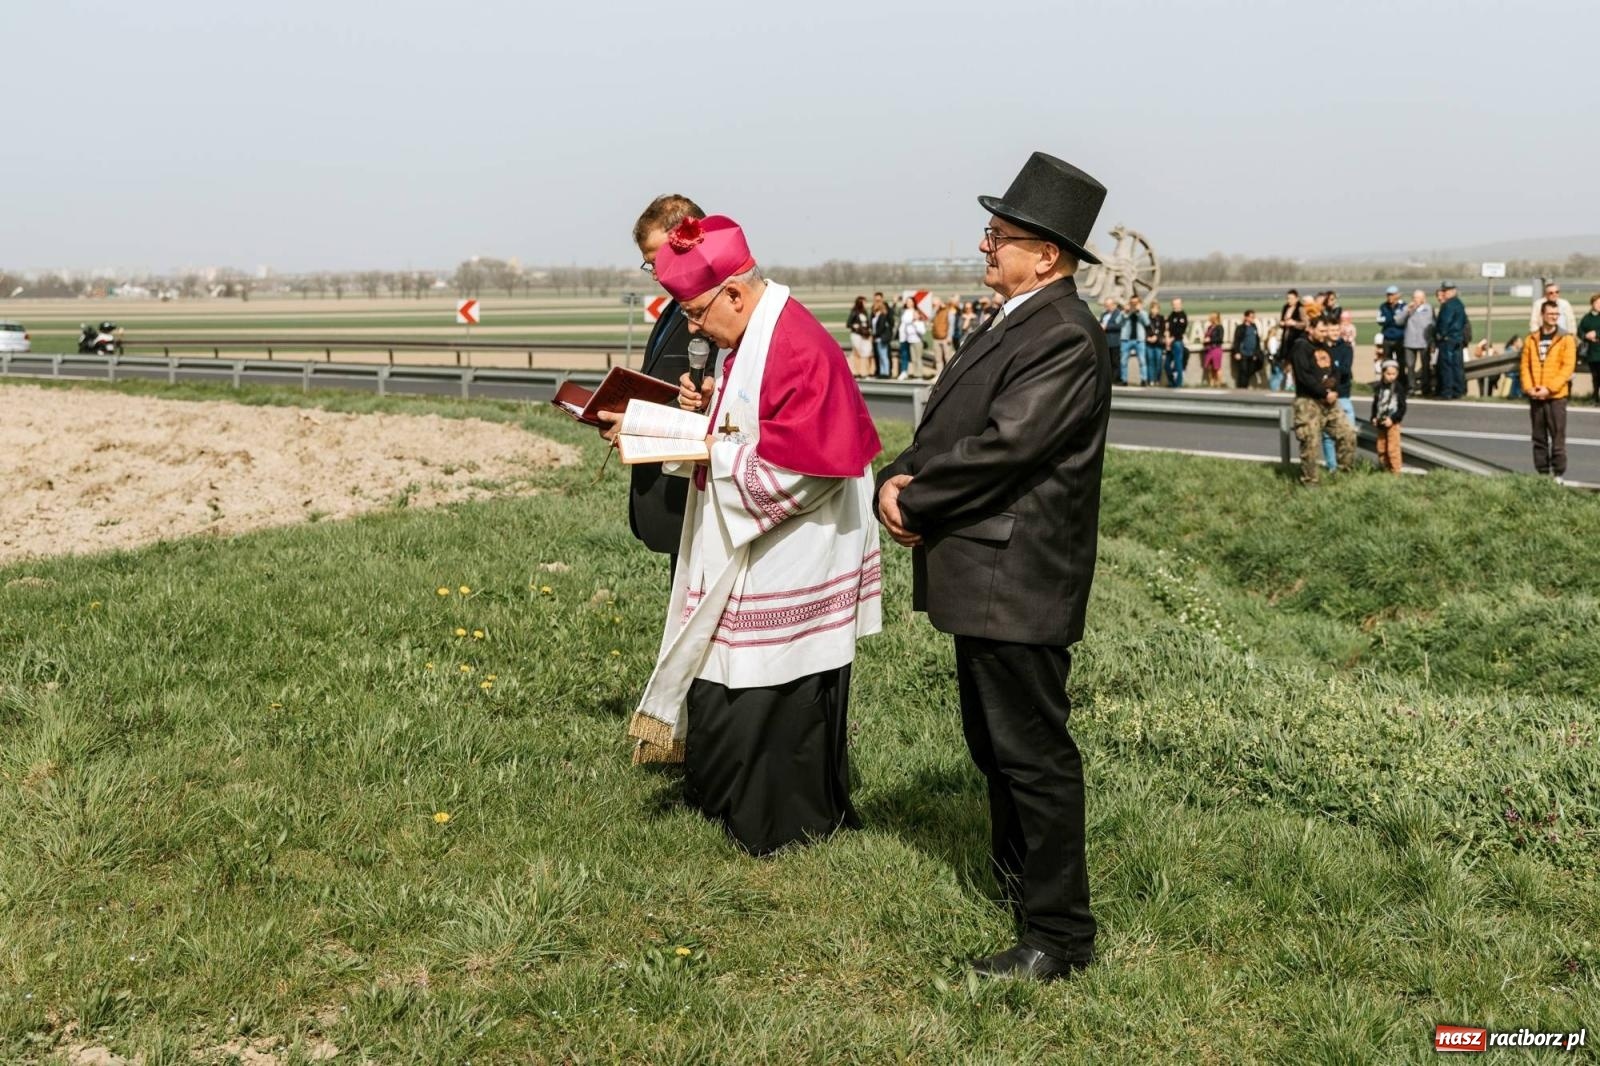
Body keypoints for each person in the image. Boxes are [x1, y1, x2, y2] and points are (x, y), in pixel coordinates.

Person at [876, 151, 1110, 982]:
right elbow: (951, 429)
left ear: (1045, 255)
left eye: (999, 234)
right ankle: (1019, 884)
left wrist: (916, 501)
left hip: (1020, 578)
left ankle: (1058, 936)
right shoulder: (1019, 318)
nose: (984, 245)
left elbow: (1006, 448)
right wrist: (896, 476)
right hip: (986, 573)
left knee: (1032, 755)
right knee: (996, 745)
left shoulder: (1063, 335)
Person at [616, 214, 883, 855]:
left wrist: (711, 452)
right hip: (754, 541)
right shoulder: (752, 335)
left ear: (734, 293)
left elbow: (810, 470)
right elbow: (745, 427)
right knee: (729, 677)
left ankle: (778, 824)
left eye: (696, 312)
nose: (692, 329)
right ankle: (723, 803)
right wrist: (694, 421)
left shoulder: (796, 347)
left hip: (796, 548)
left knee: (772, 688)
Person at [620, 193, 703, 577]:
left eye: (657, 261)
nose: (655, 274)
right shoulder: (674, 307)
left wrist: (636, 423)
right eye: (649, 264)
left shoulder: (717, 312)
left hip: (697, 494)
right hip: (673, 494)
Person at [1520, 299, 1576, 478]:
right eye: (1550, 314)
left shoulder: (1566, 339)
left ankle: (1558, 474)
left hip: (1556, 396)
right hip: (1536, 395)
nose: (1554, 317)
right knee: (1538, 438)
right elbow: (1525, 366)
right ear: (1542, 315)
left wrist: (1550, 389)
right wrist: (1529, 388)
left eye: (1556, 314)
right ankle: (1542, 473)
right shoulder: (1531, 339)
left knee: (1557, 437)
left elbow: (1567, 367)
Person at [1291, 341, 1356, 485]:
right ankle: (1310, 482)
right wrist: (1323, 392)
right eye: (1321, 330)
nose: (1325, 333)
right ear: (1311, 330)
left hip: (1330, 401)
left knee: (1348, 433)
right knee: (1311, 442)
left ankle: (1344, 476)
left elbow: (1336, 371)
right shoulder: (1301, 346)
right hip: (1309, 402)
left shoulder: (1326, 346)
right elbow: (1304, 377)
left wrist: (1333, 387)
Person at [1321, 316, 1356, 472]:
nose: (1335, 333)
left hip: (1342, 396)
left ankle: (1346, 466)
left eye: (1337, 330)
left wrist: (1329, 373)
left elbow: (1345, 370)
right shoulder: (1320, 349)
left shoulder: (1346, 348)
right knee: (1327, 435)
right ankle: (1332, 468)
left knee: (1348, 433)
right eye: (1332, 330)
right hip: (1325, 397)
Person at [1395, 288, 1434, 397]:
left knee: (1425, 366)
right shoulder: (1407, 308)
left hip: (1424, 342)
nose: (1415, 300)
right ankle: (1411, 388)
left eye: (1418, 298)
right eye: (1414, 297)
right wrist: (1408, 310)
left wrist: (1432, 341)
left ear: (1423, 298)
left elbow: (1433, 324)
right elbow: (1398, 321)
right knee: (1410, 366)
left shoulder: (1429, 308)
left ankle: (1425, 388)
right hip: (1410, 342)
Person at [1370, 359, 1407, 474]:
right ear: (1383, 373)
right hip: (1381, 421)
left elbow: (1402, 407)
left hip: (1392, 423)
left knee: (1393, 449)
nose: (1391, 377)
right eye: (1388, 374)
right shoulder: (1379, 387)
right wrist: (1373, 417)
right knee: (1381, 448)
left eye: (1394, 374)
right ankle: (1385, 470)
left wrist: (1393, 419)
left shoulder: (1398, 388)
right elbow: (1375, 404)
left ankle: (1395, 472)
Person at [1434, 281, 1468, 400]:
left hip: (1448, 340)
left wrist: (1440, 335)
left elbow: (1444, 322)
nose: (1444, 293)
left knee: (1446, 367)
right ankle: (1458, 391)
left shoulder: (1448, 305)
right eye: (1444, 291)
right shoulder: (1459, 304)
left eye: (1446, 291)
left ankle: (1447, 392)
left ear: (1453, 291)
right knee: (1457, 366)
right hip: (1457, 339)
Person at [1377, 285, 1407, 377]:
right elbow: (1380, 321)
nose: (1390, 297)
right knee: (1387, 361)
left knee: (1401, 362)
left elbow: (1403, 321)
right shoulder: (1383, 306)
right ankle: (1386, 380)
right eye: (1388, 295)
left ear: (1397, 295)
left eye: (1392, 295)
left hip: (1400, 339)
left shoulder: (1403, 306)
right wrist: (1393, 318)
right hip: (1387, 338)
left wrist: (1390, 320)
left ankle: (1401, 380)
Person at [1120, 295, 1150, 385]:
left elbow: (1147, 323)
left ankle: (1144, 380)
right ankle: (1124, 380)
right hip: (1126, 340)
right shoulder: (1125, 312)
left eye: (1135, 303)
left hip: (1139, 340)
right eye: (1132, 303)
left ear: (1139, 303)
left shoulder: (1143, 312)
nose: (1133, 304)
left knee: (1142, 361)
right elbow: (1118, 322)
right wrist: (1125, 312)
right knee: (1123, 361)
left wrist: (1139, 311)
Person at [1229, 310, 1261, 389]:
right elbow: (1237, 341)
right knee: (1243, 371)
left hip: (1252, 354)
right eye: (1251, 317)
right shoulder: (1240, 328)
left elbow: (1257, 340)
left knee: (1250, 370)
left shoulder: (1254, 327)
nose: (1253, 319)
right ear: (1246, 317)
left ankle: (1245, 386)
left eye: (1253, 317)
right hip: (1243, 353)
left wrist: (1256, 353)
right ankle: (1242, 387)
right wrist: (1237, 352)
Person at [898, 296, 927, 380]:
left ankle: (919, 375)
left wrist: (915, 321)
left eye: (910, 302)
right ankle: (913, 373)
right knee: (912, 358)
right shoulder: (904, 311)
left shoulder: (917, 316)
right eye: (907, 302)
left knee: (918, 358)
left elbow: (922, 330)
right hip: (907, 338)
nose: (909, 303)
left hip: (916, 340)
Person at [1579, 293, 1600, 404]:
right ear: (1592, 304)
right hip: (1591, 352)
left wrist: (1596, 333)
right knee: (1595, 376)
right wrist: (1585, 336)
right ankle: (1595, 397)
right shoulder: (1587, 318)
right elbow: (1580, 330)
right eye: (1597, 303)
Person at [846, 295, 873, 378]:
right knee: (857, 353)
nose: (865, 304)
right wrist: (855, 326)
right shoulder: (854, 312)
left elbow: (868, 323)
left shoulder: (865, 312)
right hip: (857, 334)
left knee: (866, 353)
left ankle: (864, 371)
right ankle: (856, 372)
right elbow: (848, 324)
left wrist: (868, 330)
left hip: (864, 334)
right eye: (864, 302)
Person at [1100, 298, 1126, 384]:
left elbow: (1119, 325)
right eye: (1106, 305)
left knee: (1115, 362)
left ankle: (1115, 379)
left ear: (1114, 305)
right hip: (1106, 342)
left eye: (1109, 305)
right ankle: (1109, 378)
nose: (1107, 307)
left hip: (1114, 342)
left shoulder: (1118, 314)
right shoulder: (1104, 314)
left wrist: (1106, 327)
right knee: (1108, 362)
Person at [929, 298, 956, 377]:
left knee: (948, 358)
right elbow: (930, 319)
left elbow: (951, 325)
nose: (934, 306)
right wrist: (935, 310)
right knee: (938, 359)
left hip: (945, 338)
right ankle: (939, 375)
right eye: (933, 304)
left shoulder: (948, 311)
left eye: (935, 304)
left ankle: (950, 375)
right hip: (936, 338)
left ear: (940, 302)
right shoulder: (935, 311)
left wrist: (949, 336)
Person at [870, 292, 895, 378]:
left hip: (882, 337)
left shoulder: (882, 314)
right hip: (878, 338)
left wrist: (876, 334)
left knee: (884, 355)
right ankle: (881, 371)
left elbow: (883, 326)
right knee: (880, 355)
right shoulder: (875, 314)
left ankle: (886, 372)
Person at [1165, 297, 1189, 387]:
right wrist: (1167, 338)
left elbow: (1180, 330)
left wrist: (1172, 338)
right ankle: (1172, 382)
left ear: (1181, 304)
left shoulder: (1182, 316)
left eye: (1177, 304)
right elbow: (1167, 327)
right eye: (1174, 304)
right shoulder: (1171, 315)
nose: (1175, 306)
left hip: (1177, 342)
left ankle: (1178, 383)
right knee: (1166, 365)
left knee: (1178, 363)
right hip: (1169, 342)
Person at [1145, 299, 1166, 386]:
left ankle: (1157, 379)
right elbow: (1145, 329)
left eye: (1156, 308)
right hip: (1149, 343)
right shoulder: (1147, 318)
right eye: (1153, 308)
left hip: (1158, 344)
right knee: (1150, 361)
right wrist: (1147, 338)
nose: (1154, 310)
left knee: (1158, 361)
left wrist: (1156, 337)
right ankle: (1151, 380)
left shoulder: (1161, 318)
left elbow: (1163, 330)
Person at [1201, 312, 1224, 386]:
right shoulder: (1210, 327)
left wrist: (1210, 340)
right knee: (1210, 368)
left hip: (1216, 348)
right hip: (1208, 349)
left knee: (1217, 367)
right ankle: (1211, 382)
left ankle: (1219, 383)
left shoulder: (1219, 327)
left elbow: (1220, 339)